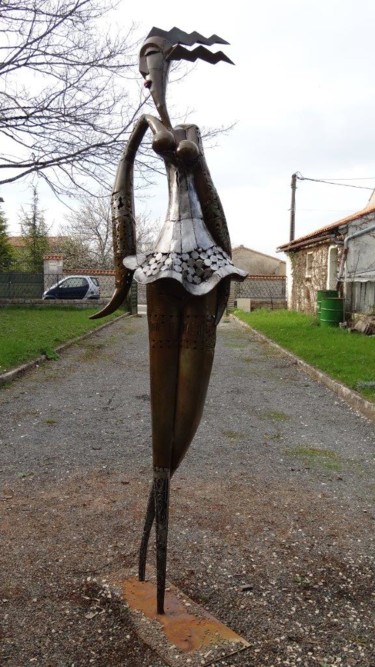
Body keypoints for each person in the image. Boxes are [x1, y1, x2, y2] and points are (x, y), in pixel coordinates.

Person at [92, 27, 247, 613]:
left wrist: (186, 152)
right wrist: (121, 266)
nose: (151, 80)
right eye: (146, 70)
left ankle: (165, 480)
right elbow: (120, 190)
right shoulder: (145, 127)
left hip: (202, 260)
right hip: (160, 261)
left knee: (188, 406)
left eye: (157, 68)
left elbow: (209, 198)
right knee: (164, 417)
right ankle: (159, 484)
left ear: (170, 71)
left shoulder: (188, 134)